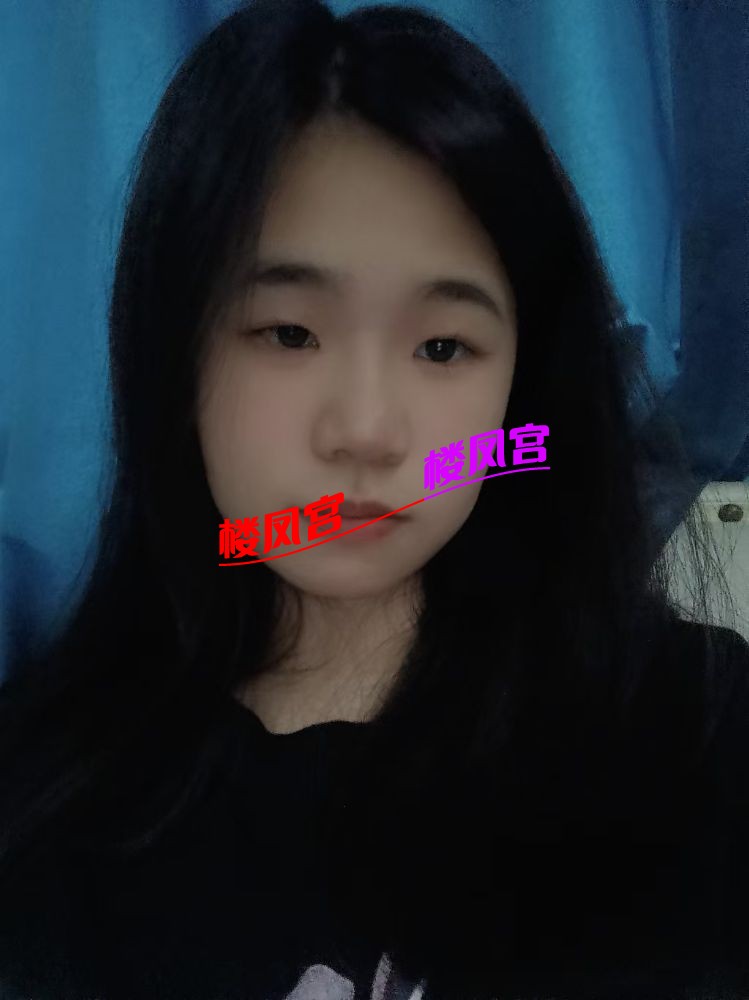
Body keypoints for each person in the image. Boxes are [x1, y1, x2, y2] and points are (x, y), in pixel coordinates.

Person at [0, 1, 747, 997]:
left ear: (518, 392)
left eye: (442, 347)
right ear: (175, 357)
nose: (364, 430)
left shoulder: (698, 730)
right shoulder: (50, 802)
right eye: (288, 333)